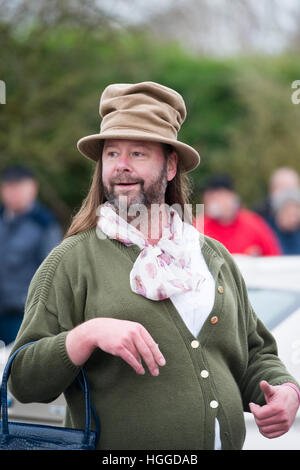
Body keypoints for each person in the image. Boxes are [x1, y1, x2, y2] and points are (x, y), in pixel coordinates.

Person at [8, 82, 300, 451]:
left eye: (138, 153)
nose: (121, 165)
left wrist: (286, 391)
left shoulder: (213, 256)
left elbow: (255, 354)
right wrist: (86, 335)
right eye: (112, 153)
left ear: (171, 165)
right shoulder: (70, 260)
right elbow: (23, 379)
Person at [0, 165, 62, 344]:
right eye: (9, 186)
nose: (14, 192)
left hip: (24, 315)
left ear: (33, 188)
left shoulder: (43, 224)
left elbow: (51, 273)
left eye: (19, 186)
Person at [196, 174, 282, 256]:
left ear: (230, 196)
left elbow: (274, 256)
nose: (209, 201)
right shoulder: (199, 226)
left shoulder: (253, 223)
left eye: (215, 196)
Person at [265, 189, 300, 255]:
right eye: (289, 215)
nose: (293, 219)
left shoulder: (297, 233)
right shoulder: (266, 230)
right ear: (279, 213)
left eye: (295, 215)